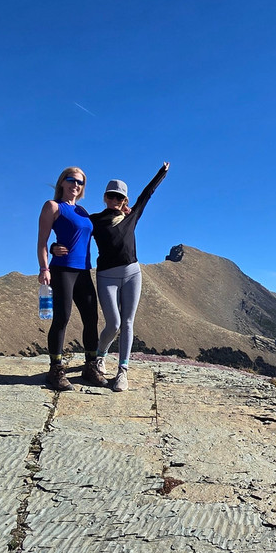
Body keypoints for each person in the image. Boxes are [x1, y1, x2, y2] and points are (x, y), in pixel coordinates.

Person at [51, 161, 170, 392]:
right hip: (106, 276)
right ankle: (99, 356)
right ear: (105, 197)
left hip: (132, 273)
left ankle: (123, 372)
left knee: (127, 322)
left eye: (120, 198)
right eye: (111, 196)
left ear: (125, 200)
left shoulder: (131, 215)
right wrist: (54, 246)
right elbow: (73, 231)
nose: (115, 201)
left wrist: (162, 172)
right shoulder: (93, 220)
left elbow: (148, 193)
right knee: (113, 323)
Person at [37, 167, 109, 391]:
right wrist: (44, 267)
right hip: (63, 271)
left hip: (84, 271)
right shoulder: (52, 206)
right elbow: (41, 241)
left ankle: (90, 367)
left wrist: (123, 212)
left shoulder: (82, 211)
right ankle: (55, 370)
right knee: (62, 318)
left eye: (80, 182)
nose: (76, 185)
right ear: (62, 182)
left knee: (91, 318)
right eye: (72, 180)